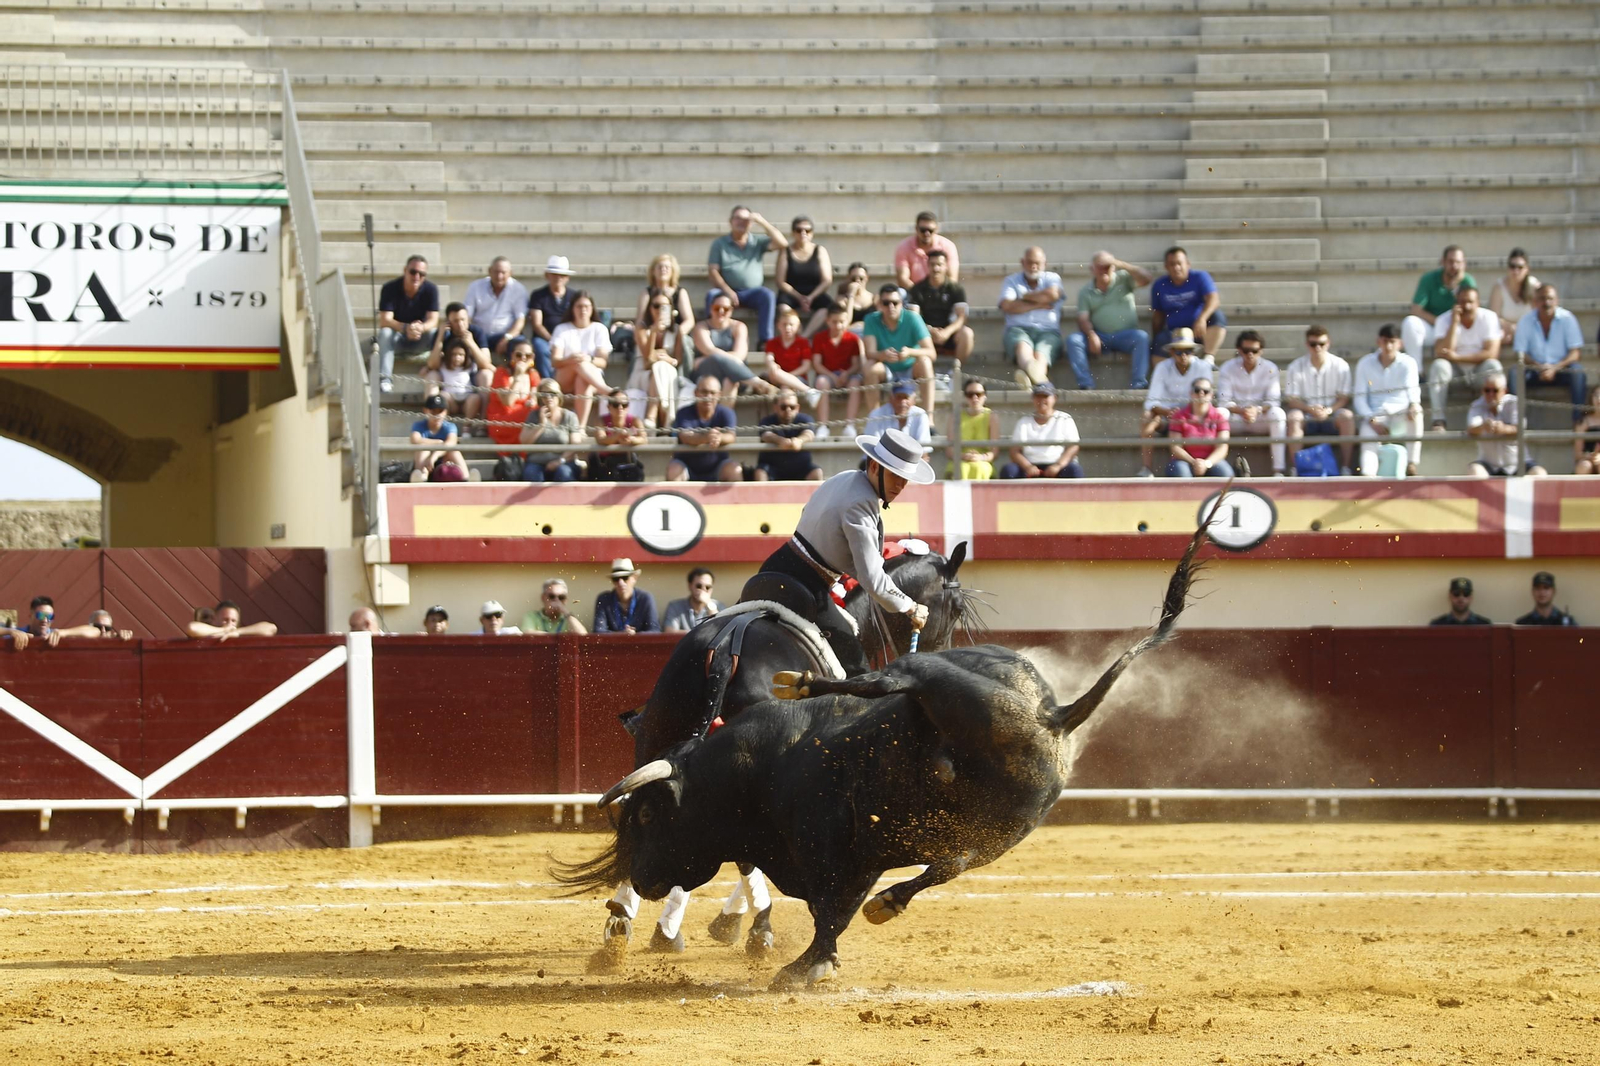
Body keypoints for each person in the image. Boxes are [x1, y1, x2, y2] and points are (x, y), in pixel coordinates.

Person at [751, 426, 933, 676]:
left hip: (775, 568)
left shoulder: (846, 478)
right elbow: (873, 580)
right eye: (895, 475)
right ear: (874, 467)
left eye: (905, 479)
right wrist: (910, 607)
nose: (901, 485)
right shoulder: (862, 502)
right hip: (804, 587)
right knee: (855, 668)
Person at [1066, 250, 1153, 390]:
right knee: (1073, 340)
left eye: (1108, 266)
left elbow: (1147, 278)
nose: (1104, 270)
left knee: (1142, 337)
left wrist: (1121, 264)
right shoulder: (1085, 291)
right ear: (1092, 269)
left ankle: (1139, 384)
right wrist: (1091, 335)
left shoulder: (1124, 279)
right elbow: (1082, 319)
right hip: (1100, 337)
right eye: (1100, 266)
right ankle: (1086, 384)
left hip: (1126, 335)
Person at [706, 205, 788, 345]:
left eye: (746, 220)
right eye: (738, 218)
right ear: (730, 221)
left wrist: (762, 222)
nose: (741, 222)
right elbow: (713, 271)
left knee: (767, 295)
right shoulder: (719, 243)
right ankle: (711, 339)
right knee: (712, 296)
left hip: (752, 292)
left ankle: (765, 341)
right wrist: (728, 291)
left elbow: (783, 243)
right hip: (726, 291)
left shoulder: (757, 241)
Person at [1137, 329, 1211, 477]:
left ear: (1194, 352)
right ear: (1171, 352)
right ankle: (1147, 468)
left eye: (1188, 351)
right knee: (1147, 418)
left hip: (1193, 415)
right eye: (1179, 351)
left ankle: (1203, 461)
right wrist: (1167, 412)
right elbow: (1151, 402)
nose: (1183, 355)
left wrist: (1183, 413)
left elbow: (1205, 398)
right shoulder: (1162, 367)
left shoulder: (1203, 366)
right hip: (1168, 416)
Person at [1427, 286, 1503, 430]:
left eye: (1470, 302)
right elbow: (1440, 351)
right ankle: (1438, 420)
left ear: (1478, 303)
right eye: (1462, 302)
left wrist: (1457, 357)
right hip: (1455, 373)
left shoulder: (1489, 317)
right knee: (1438, 366)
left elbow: (1492, 353)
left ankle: (1495, 416)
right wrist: (1454, 323)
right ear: (1456, 303)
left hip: (1479, 370)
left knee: (1494, 366)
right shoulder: (1444, 319)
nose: (1466, 306)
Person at [1284, 325, 1356, 475]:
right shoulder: (1295, 367)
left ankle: (1346, 468)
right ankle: (1296, 468)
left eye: (1321, 344)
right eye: (1313, 344)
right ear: (1307, 345)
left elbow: (1344, 398)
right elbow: (1292, 400)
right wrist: (1310, 409)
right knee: (1293, 417)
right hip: (1307, 415)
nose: (1317, 348)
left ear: (1328, 343)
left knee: (1347, 416)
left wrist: (1329, 410)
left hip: (1332, 415)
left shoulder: (1341, 365)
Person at [1353, 324, 1424, 478]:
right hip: (1375, 416)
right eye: (1385, 341)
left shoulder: (1408, 362)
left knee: (1417, 412)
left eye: (1392, 341)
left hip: (1400, 415)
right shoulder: (1365, 363)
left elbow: (1413, 388)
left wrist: (1413, 404)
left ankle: (1412, 463)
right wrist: (1371, 420)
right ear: (1378, 341)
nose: (1389, 346)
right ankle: (1368, 476)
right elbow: (1359, 397)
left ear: (1400, 343)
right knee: (1366, 434)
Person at [1512, 283, 1587, 425]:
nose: (1546, 302)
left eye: (1550, 298)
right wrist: (1539, 366)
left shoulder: (1567, 318)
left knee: (1578, 371)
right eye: (1542, 299)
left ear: (1557, 300)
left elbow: (1575, 353)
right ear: (1535, 302)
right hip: (1535, 370)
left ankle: (1579, 421)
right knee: (1515, 372)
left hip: (1561, 369)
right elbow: (1520, 353)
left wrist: (1555, 368)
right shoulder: (1525, 321)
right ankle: (1516, 421)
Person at [1217, 330, 1287, 476]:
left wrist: (1257, 410)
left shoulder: (1270, 368)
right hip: (1235, 419)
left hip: (1260, 418)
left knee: (1278, 414)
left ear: (1261, 351)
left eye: (1254, 351)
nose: (1250, 354)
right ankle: (1217, 465)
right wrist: (1243, 411)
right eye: (1246, 350)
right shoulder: (1227, 368)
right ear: (1239, 350)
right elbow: (1224, 401)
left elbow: (1273, 401)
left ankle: (1278, 470)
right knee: (1220, 413)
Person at [862, 284, 936, 415]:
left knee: (925, 361)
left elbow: (931, 353)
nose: (891, 306)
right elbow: (870, 354)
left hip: (911, 368)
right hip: (886, 369)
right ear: (880, 304)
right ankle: (873, 419)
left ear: (901, 303)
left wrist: (909, 352)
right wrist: (882, 355)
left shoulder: (913, 318)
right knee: (870, 367)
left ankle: (929, 420)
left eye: (895, 303)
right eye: (886, 303)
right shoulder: (871, 319)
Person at [690, 293, 774, 405]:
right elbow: (709, 350)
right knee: (716, 358)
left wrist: (712, 357)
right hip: (707, 373)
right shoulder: (701, 327)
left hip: (736, 376)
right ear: (710, 309)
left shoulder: (739, 326)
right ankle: (758, 383)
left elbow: (740, 355)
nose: (721, 312)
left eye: (725, 309)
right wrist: (716, 357)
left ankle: (724, 421)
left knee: (730, 380)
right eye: (716, 308)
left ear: (731, 310)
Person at [999, 246, 1064, 388]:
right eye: (1029, 262)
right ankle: (1043, 384)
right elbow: (1007, 306)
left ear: (1044, 264)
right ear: (1022, 262)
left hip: (1048, 331)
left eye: (1037, 263)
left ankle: (1030, 379)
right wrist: (1038, 304)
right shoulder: (1011, 280)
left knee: (1042, 354)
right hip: (1018, 329)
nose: (1033, 266)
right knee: (1023, 347)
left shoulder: (1053, 278)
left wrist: (1025, 297)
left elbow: (1052, 295)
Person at [375, 254, 440, 392]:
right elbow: (385, 320)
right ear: (405, 270)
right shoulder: (390, 288)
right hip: (398, 337)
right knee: (385, 333)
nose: (416, 277)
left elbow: (433, 320)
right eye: (413, 272)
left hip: (419, 338)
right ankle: (385, 379)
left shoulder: (431, 290)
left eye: (421, 274)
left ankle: (434, 374)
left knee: (436, 333)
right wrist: (406, 328)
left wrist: (420, 328)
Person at [549, 290, 612, 427]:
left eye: (586, 306)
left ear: (592, 309)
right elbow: (555, 361)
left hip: (590, 377)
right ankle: (606, 391)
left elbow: (602, 362)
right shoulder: (562, 329)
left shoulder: (599, 329)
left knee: (582, 378)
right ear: (572, 308)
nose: (583, 310)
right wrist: (570, 360)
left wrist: (588, 359)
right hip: (565, 376)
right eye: (579, 306)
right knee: (579, 365)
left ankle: (580, 427)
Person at [1402, 245, 1475, 364]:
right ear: (1443, 262)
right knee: (1410, 323)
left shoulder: (1467, 282)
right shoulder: (1429, 279)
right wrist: (1440, 322)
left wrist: (1457, 289)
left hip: (1458, 330)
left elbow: (1472, 311)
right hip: (1434, 327)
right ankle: (1417, 374)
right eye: (1450, 262)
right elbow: (1416, 310)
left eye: (1458, 262)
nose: (1454, 266)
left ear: (1464, 264)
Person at [1150, 246, 1226, 360]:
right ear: (1166, 267)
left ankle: (1208, 358)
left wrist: (1202, 318)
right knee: (1159, 341)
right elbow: (1158, 315)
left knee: (1217, 317)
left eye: (1179, 263)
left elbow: (1214, 299)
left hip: (1199, 331)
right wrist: (1156, 337)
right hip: (1174, 333)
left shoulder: (1200, 277)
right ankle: (1163, 375)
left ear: (1188, 264)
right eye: (1172, 264)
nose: (1176, 267)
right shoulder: (1159, 285)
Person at [1466, 373, 1545, 477]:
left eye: (1495, 391)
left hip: (1518, 463)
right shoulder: (1477, 405)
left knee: (1539, 473)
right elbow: (1471, 429)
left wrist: (1503, 429)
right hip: (1489, 464)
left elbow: (1520, 427)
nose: (1490, 394)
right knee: (1474, 471)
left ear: (1504, 391)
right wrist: (1483, 426)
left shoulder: (1513, 403)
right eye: (1487, 390)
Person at [1000, 381, 1082, 479]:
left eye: (1045, 396)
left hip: (1057, 465)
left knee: (1074, 470)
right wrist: (1028, 467)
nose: (1041, 400)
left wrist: (1058, 465)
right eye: (1038, 396)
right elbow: (1014, 451)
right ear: (1033, 399)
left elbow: (1073, 447)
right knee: (1008, 470)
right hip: (1030, 466)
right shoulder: (1023, 421)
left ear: (1054, 398)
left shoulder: (1065, 418)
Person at [667, 376, 742, 482]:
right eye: (704, 392)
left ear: (719, 395)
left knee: (734, 470)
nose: (708, 397)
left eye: (713, 393)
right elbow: (685, 437)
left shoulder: (727, 413)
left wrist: (719, 437)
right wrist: (707, 437)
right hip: (686, 467)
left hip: (718, 467)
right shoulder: (683, 412)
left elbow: (731, 436)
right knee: (673, 470)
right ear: (695, 392)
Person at [631, 290, 687, 427]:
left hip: (666, 371)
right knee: (659, 367)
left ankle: (652, 414)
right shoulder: (641, 329)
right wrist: (654, 332)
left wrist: (668, 360)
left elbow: (678, 359)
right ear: (650, 308)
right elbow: (648, 358)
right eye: (656, 306)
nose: (660, 310)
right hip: (643, 373)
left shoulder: (677, 330)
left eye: (665, 306)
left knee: (661, 367)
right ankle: (664, 421)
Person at [907, 249, 973, 366]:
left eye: (939, 265)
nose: (936, 268)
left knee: (967, 333)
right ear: (927, 266)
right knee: (909, 332)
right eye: (932, 264)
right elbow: (913, 317)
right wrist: (929, 330)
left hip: (949, 334)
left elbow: (962, 317)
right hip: (925, 333)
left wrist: (947, 332)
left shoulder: (956, 289)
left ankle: (956, 371)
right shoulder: (917, 289)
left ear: (946, 266)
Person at [811, 303, 865, 435]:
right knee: (821, 382)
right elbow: (817, 364)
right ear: (828, 321)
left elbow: (856, 364)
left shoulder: (853, 339)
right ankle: (823, 425)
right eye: (835, 322)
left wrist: (847, 373)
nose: (839, 325)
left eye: (842, 322)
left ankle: (849, 425)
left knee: (855, 383)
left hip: (847, 374)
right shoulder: (819, 338)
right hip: (828, 374)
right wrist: (833, 376)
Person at [774, 216, 834, 336]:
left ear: (812, 233)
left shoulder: (820, 250)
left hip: (814, 292)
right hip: (791, 293)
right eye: (799, 230)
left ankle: (805, 336)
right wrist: (799, 297)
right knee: (783, 308)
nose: (803, 233)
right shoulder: (785, 251)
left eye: (807, 230)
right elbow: (780, 281)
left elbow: (826, 280)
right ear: (793, 232)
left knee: (828, 308)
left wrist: (810, 297)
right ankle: (797, 333)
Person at [461, 256, 529, 359]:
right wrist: (469, 336)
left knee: (519, 344)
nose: (499, 276)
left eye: (503, 272)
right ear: (489, 271)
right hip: (480, 334)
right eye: (496, 272)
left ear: (510, 273)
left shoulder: (518, 289)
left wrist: (507, 338)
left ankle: (513, 373)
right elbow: (467, 316)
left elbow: (520, 320)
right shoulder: (475, 287)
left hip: (505, 335)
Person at [422, 337, 493, 433]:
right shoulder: (443, 365)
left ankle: (467, 426)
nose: (457, 358)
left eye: (461, 355)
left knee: (475, 398)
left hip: (467, 399)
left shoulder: (471, 366)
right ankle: (444, 426)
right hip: (451, 399)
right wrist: (426, 369)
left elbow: (488, 367)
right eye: (454, 355)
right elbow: (427, 369)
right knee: (442, 395)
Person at [1167, 377, 1234, 478]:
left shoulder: (1219, 416)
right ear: (1191, 393)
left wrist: (1206, 464)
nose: (1201, 393)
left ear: (1211, 395)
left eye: (1206, 391)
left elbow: (1222, 448)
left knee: (1226, 473)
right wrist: (1194, 462)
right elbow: (1176, 447)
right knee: (1182, 473)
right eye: (1197, 390)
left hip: (1211, 461)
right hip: (1184, 461)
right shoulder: (1179, 416)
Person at [519, 380, 584, 482]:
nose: (549, 397)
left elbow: (575, 445)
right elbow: (524, 441)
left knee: (563, 473)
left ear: (559, 395)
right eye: (544, 394)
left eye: (552, 394)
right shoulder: (534, 415)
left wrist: (559, 461)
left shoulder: (569, 416)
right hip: (536, 463)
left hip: (563, 462)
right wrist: (541, 425)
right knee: (531, 474)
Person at [525, 254, 577, 380]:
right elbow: (537, 324)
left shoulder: (574, 296)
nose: (558, 278)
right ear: (547, 275)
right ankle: (548, 384)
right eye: (554, 274)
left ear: (567, 278)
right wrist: (552, 340)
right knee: (540, 348)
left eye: (562, 275)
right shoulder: (538, 295)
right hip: (545, 338)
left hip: (568, 338)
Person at [755, 391, 823, 482]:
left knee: (816, 472)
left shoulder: (805, 419)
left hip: (801, 468)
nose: (788, 410)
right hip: (772, 468)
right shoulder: (767, 421)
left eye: (792, 407)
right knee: (760, 472)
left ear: (798, 408)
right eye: (783, 407)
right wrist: (780, 441)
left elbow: (809, 433)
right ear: (775, 408)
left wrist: (799, 440)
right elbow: (766, 435)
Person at [763, 307, 822, 411]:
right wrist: (771, 364)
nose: (788, 328)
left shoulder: (803, 343)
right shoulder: (772, 343)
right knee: (774, 372)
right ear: (778, 325)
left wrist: (787, 377)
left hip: (798, 378)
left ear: (798, 326)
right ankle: (809, 391)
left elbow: (806, 366)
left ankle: (786, 418)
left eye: (791, 325)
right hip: (776, 377)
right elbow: (769, 358)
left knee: (785, 389)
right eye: (784, 324)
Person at [486, 340, 539, 451]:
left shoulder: (533, 374)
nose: (523, 358)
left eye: (528, 355)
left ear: (532, 357)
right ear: (512, 356)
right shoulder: (501, 372)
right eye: (519, 355)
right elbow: (508, 402)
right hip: (503, 418)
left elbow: (534, 397)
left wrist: (532, 401)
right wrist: (518, 375)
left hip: (524, 418)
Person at [863, 379, 932, 456]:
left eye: (906, 397)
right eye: (898, 397)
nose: (902, 402)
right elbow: (873, 451)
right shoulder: (876, 415)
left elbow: (924, 452)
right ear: (891, 399)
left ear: (914, 400)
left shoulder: (920, 415)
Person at [590, 388, 647, 482]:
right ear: (609, 407)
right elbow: (600, 439)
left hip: (628, 461)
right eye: (616, 405)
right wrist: (617, 436)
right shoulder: (601, 420)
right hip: (606, 462)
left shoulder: (635, 420)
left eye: (624, 405)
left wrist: (631, 440)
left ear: (628, 407)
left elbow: (644, 439)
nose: (620, 408)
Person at [635, 253, 696, 339]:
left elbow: (689, 321)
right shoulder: (646, 293)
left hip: (675, 337)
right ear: (653, 271)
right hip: (652, 336)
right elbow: (640, 321)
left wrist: (677, 335)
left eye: (667, 267)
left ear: (673, 271)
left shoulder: (681, 292)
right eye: (660, 267)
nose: (663, 269)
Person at [893, 210, 960, 289]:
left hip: (942, 292)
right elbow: (903, 279)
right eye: (923, 230)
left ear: (936, 229)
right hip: (913, 292)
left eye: (930, 230)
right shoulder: (904, 247)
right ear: (916, 229)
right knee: (901, 293)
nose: (926, 233)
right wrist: (920, 294)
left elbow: (952, 278)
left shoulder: (948, 246)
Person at [411, 394, 469, 482]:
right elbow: (415, 439)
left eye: (440, 411)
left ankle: (466, 477)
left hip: (443, 462)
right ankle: (422, 477)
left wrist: (435, 455)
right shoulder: (419, 425)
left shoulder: (450, 426)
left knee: (453, 450)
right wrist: (438, 442)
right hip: (425, 462)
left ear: (445, 412)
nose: (437, 415)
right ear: (425, 411)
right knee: (423, 449)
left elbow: (451, 442)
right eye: (433, 411)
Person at [948, 378, 998, 480]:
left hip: (983, 461)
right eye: (970, 395)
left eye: (978, 394)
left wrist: (981, 457)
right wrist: (963, 456)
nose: (975, 398)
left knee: (980, 468)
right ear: (965, 397)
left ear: (985, 396)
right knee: (961, 468)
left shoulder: (991, 416)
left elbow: (994, 451)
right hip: (960, 460)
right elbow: (949, 450)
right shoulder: (955, 416)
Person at [593, 558, 660, 634]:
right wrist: (622, 634)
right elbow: (598, 632)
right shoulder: (604, 599)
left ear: (634, 578)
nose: (620, 583)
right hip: (612, 646)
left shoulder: (645, 598)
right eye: (616, 579)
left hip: (641, 645)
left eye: (625, 578)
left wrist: (635, 636)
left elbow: (655, 631)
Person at [1488, 248, 1540, 339]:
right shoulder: (1499, 287)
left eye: (1520, 267)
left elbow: (1538, 316)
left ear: (1527, 269)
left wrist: (1521, 329)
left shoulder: (1534, 287)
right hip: (1506, 332)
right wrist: (1510, 327)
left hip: (1530, 332)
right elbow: (1494, 318)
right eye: (1512, 266)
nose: (1516, 271)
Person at [662, 568, 723, 632]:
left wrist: (708, 604)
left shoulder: (719, 606)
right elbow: (669, 631)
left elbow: (721, 630)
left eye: (707, 587)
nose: (703, 590)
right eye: (698, 586)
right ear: (690, 586)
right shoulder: (675, 606)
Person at [186, 600, 278, 640]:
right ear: (214, 619)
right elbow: (192, 628)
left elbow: (271, 628)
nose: (230, 624)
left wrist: (237, 632)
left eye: (233, 621)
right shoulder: (206, 632)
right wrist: (223, 630)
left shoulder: (238, 633)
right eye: (225, 620)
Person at [522, 579, 588, 634]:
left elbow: (582, 635)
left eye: (561, 597)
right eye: (552, 596)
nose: (556, 600)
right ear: (543, 598)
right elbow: (527, 633)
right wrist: (556, 637)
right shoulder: (532, 616)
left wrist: (566, 613)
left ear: (565, 600)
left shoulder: (568, 619)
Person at [835, 261, 876, 330]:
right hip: (850, 334)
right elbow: (845, 322)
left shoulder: (874, 298)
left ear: (867, 278)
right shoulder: (842, 300)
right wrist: (851, 296)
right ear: (848, 278)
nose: (857, 281)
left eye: (861, 278)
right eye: (853, 279)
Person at [55, 609, 134, 641]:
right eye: (98, 627)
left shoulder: (114, 637)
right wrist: (62, 632)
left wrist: (122, 636)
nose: (103, 631)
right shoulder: (82, 639)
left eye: (107, 628)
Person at [1572, 385, 1600, 474]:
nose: (1599, 399)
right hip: (1587, 459)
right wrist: (1590, 456)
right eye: (1596, 395)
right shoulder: (1583, 421)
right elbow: (1577, 454)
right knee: (1584, 466)